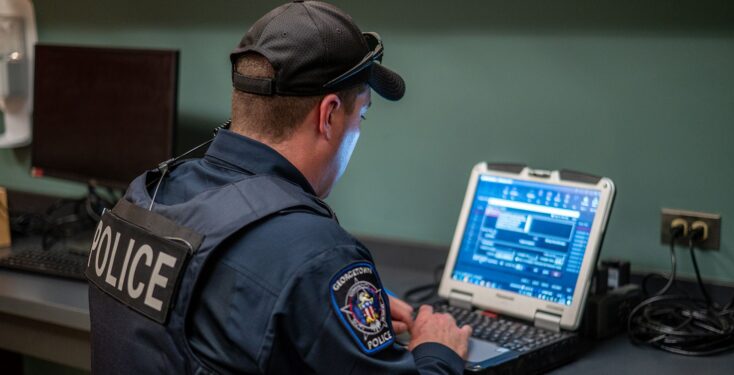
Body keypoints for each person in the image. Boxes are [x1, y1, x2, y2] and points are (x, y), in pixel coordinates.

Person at [87, 1, 471, 374]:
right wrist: (438, 351)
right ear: (329, 114)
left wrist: (326, 312)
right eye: (362, 116)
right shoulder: (316, 256)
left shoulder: (144, 197)